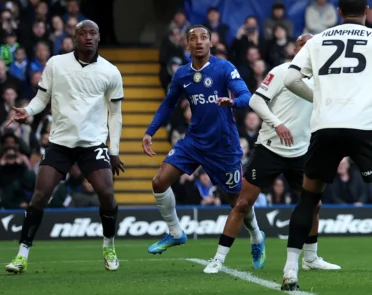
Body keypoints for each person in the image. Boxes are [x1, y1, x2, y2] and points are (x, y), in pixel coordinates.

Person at [280, 0, 372, 290]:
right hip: (365, 126)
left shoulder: (316, 40)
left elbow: (290, 79)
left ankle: (291, 269)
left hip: (325, 126)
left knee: (309, 197)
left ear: (338, 12)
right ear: (366, 11)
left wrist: (318, 97)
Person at [203, 34, 339, 274]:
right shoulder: (283, 71)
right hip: (270, 149)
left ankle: (311, 257)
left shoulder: (322, 80)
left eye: (310, 46)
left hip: (301, 153)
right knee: (243, 203)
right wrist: (277, 123)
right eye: (301, 45)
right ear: (295, 50)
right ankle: (218, 258)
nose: (305, 50)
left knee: (314, 204)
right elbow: (256, 101)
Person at [4, 21, 123, 274]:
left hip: (92, 144)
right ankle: (22, 254)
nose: (88, 37)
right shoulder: (56, 63)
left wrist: (113, 151)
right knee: (40, 194)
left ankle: (109, 244)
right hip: (60, 143)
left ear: (99, 37)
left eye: (93, 33)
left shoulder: (111, 71)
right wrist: (27, 110)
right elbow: (41, 99)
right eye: (83, 33)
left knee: (107, 194)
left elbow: (115, 115)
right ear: (74, 37)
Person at [142, 26, 263, 260]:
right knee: (159, 182)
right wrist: (151, 131)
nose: (198, 42)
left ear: (211, 44)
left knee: (237, 202)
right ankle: (175, 232)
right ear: (186, 45)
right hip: (195, 141)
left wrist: (233, 101)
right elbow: (169, 104)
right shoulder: (182, 74)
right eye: (193, 38)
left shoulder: (224, 68)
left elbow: (247, 96)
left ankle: (257, 235)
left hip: (224, 145)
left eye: (204, 38)